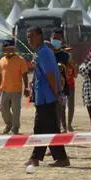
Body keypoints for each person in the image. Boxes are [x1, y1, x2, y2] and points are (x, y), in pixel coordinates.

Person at [24, 27, 69, 168]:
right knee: (44, 128)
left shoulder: (43, 52)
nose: (29, 40)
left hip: (47, 98)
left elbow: (50, 75)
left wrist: (56, 95)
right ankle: (38, 157)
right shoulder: (40, 52)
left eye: (32, 36)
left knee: (46, 128)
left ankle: (57, 158)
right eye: (27, 37)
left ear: (40, 36)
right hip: (42, 98)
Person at [0, 39, 29, 134]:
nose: (10, 51)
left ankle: (15, 127)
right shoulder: (2, 60)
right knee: (4, 110)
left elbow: (25, 74)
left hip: (16, 89)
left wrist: (26, 87)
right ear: (4, 50)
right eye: (7, 49)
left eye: (12, 49)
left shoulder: (20, 60)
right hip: (4, 89)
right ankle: (9, 123)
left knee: (16, 109)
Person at [50, 36, 71, 133]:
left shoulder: (65, 55)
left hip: (61, 85)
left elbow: (62, 67)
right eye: (53, 38)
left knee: (61, 108)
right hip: (49, 85)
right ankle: (55, 127)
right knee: (52, 109)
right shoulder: (48, 53)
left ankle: (63, 127)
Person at [64, 47, 77, 132]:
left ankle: (69, 124)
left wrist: (74, 67)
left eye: (70, 52)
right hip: (62, 87)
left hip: (71, 87)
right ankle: (63, 126)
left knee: (71, 106)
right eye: (67, 52)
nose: (69, 53)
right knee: (62, 107)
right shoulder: (61, 63)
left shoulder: (73, 63)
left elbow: (75, 75)